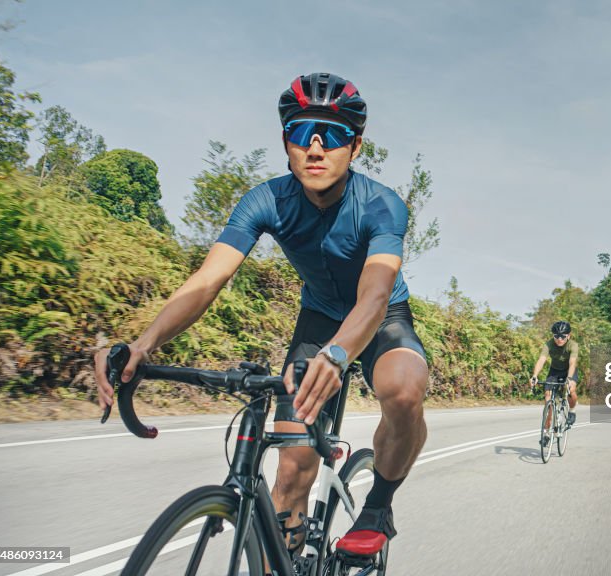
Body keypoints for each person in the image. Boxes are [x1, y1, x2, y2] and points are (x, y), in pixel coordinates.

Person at [94, 73, 428, 557]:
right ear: (285, 143)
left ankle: (378, 503)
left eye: (332, 135)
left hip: (381, 317)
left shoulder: (382, 205)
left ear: (354, 148)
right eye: (301, 132)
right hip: (317, 320)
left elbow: (374, 297)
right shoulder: (264, 200)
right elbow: (207, 281)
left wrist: (338, 356)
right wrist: (144, 345)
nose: (315, 148)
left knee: (402, 391)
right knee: (292, 469)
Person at [530, 321, 579, 444]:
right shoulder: (549, 344)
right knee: (548, 399)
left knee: (571, 390)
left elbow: (572, 363)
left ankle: (572, 411)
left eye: (563, 336)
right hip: (554, 371)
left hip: (569, 370)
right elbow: (541, 360)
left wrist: (569, 378)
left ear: (569, 335)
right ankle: (546, 433)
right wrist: (535, 376)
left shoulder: (573, 345)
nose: (559, 339)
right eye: (556, 336)